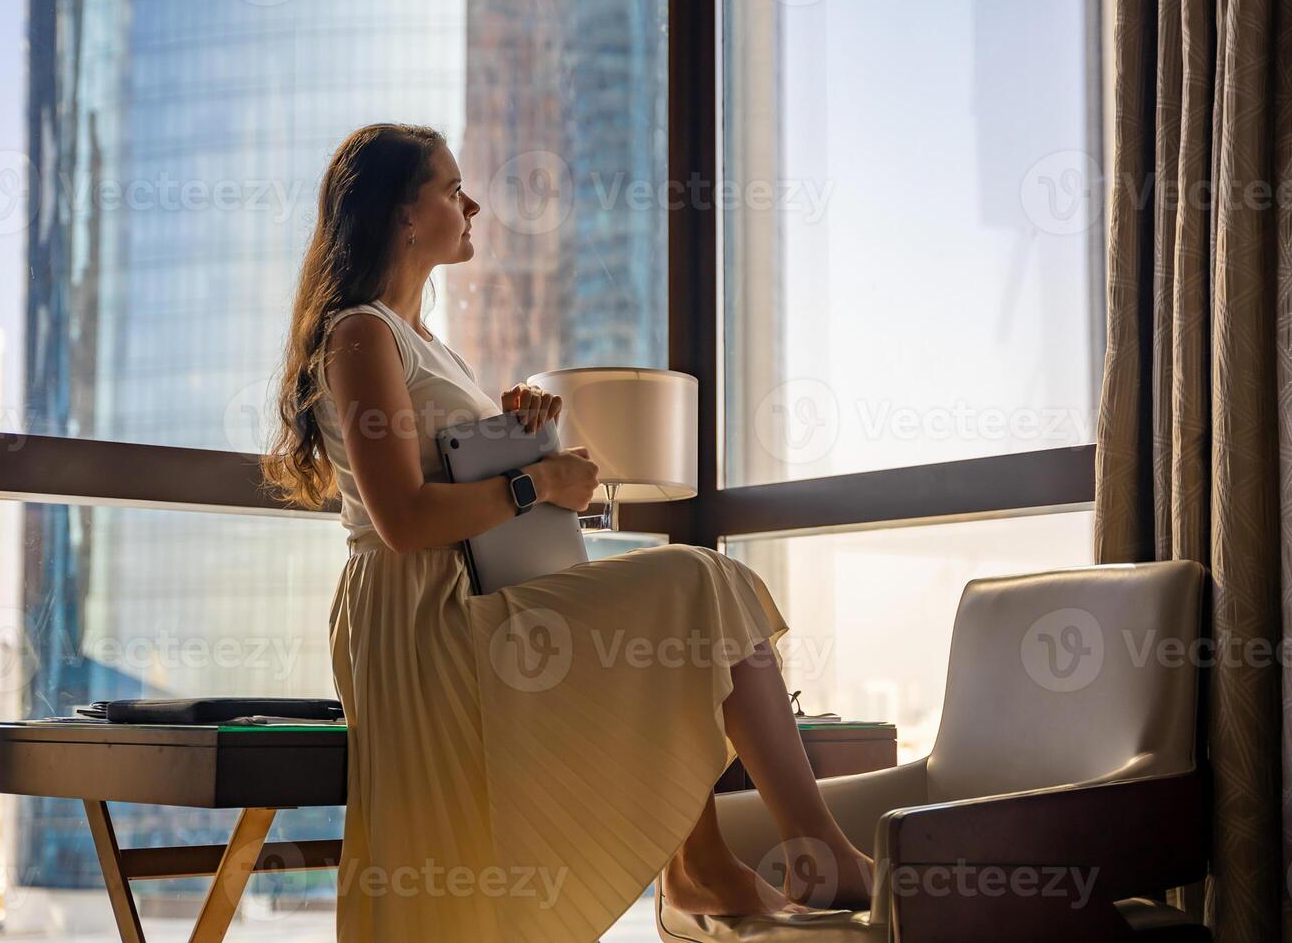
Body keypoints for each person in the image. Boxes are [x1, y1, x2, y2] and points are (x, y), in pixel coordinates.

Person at [262, 122, 873, 942]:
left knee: (687, 617)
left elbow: (450, 479)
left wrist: (511, 437)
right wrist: (536, 479)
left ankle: (707, 866)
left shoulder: (418, 341)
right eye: (451, 188)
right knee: (701, 584)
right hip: (423, 616)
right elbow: (403, 519)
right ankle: (803, 851)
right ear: (402, 214)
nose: (470, 202)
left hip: (468, 593)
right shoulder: (360, 333)